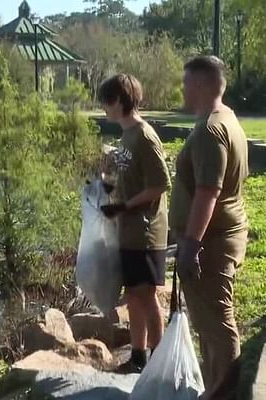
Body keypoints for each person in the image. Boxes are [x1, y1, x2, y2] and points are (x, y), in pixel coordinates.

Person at [169, 55, 249, 400]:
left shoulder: (211, 130)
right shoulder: (226, 118)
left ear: (200, 85)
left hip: (212, 243)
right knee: (209, 320)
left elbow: (208, 192)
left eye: (186, 83)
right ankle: (216, 387)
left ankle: (226, 392)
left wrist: (190, 244)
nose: (183, 89)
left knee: (218, 322)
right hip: (217, 238)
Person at [96, 73, 172, 374]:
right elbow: (132, 178)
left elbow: (160, 184)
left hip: (145, 231)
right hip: (127, 230)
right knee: (132, 294)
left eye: (105, 101)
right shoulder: (126, 135)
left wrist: (125, 206)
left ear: (118, 101)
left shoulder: (144, 135)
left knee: (146, 294)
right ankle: (139, 356)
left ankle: (160, 360)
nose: (103, 107)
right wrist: (108, 190)